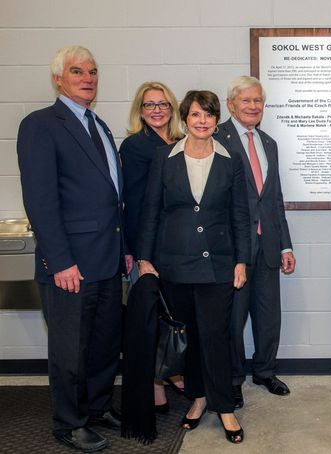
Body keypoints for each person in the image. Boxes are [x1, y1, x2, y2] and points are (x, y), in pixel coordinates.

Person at [17, 45, 131, 453]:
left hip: (107, 259)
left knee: (103, 345)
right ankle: (69, 422)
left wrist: (125, 249)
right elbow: (41, 201)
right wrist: (60, 260)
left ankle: (98, 408)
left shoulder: (98, 124)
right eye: (78, 71)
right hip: (70, 266)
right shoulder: (42, 125)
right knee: (69, 350)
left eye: (93, 71)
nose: (88, 78)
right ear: (58, 79)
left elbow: (110, 196)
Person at [136, 90, 251, 444]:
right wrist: (144, 258)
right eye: (196, 114)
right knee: (191, 338)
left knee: (216, 335)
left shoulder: (230, 160)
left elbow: (240, 216)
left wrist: (242, 260)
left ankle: (224, 406)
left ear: (217, 121)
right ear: (185, 118)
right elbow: (151, 210)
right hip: (175, 265)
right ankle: (199, 398)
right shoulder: (164, 158)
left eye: (209, 115)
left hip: (218, 264)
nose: (202, 121)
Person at [215, 76, 295, 408]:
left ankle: (264, 371)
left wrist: (286, 245)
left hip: (269, 245)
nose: (253, 106)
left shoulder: (269, 143)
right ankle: (233, 378)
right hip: (234, 247)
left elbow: (274, 198)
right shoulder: (216, 137)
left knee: (268, 314)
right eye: (246, 101)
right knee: (233, 318)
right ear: (231, 103)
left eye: (258, 101)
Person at [119, 81, 185, 413]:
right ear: (140, 111)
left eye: (162, 104)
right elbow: (131, 202)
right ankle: (155, 386)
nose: (156, 110)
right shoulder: (134, 147)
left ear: (172, 109)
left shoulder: (182, 143)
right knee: (148, 321)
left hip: (178, 245)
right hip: (147, 245)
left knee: (172, 316)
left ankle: (171, 371)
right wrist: (136, 252)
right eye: (149, 105)